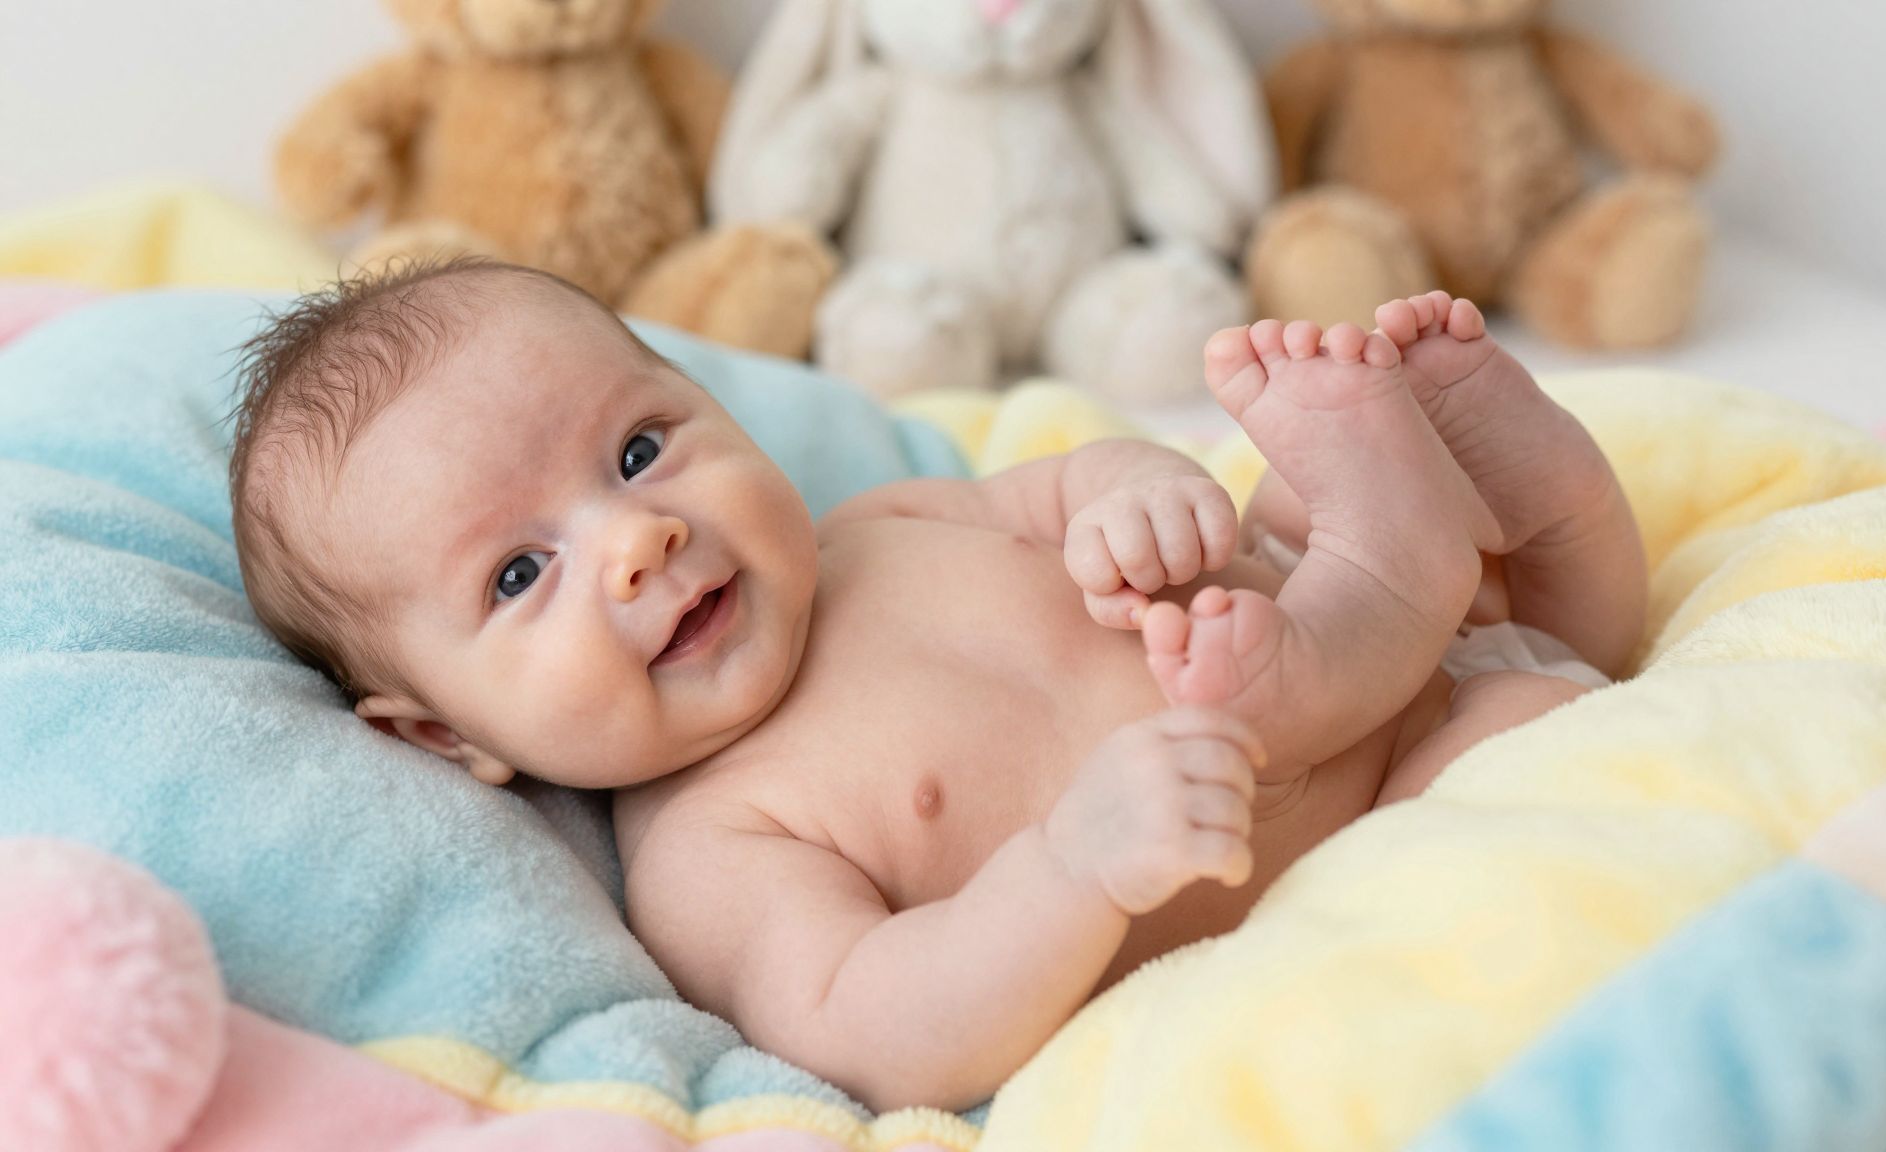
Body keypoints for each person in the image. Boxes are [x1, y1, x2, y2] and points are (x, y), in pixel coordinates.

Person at [227, 258, 1644, 1112]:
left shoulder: (876, 529)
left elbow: (1066, 483)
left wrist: (1136, 500)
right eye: (519, 577)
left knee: (1286, 509)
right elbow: (875, 1026)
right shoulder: (717, 846)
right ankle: (1504, 525)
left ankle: (1517, 497)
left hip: (1320, 625)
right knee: (1544, 738)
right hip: (1372, 812)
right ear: (440, 733)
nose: (637, 539)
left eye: (642, 452)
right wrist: (1073, 866)